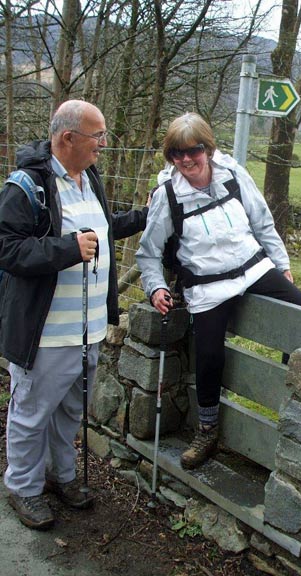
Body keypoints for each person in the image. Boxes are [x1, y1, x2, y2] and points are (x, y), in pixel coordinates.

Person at [136, 112, 301, 471]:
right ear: (170, 157)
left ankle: (293, 407)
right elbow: (149, 252)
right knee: (208, 357)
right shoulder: (168, 196)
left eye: (194, 151)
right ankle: (207, 431)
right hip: (209, 286)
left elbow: (262, 220)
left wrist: (281, 264)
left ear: (208, 148)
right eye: (177, 154)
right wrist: (155, 287)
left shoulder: (233, 174)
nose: (186, 160)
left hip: (254, 268)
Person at [0, 100, 148, 530]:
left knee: (69, 412)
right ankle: (23, 489)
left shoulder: (89, 178)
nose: (104, 143)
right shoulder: (27, 186)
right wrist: (67, 249)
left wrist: (144, 215)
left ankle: (59, 476)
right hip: (45, 334)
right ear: (68, 138)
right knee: (31, 414)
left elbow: (101, 228)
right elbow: (7, 249)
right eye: (97, 136)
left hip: (89, 330)